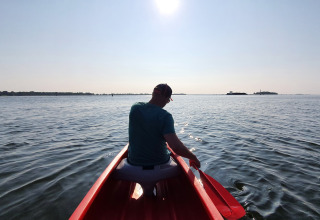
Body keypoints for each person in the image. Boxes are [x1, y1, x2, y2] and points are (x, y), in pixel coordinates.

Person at [114, 83, 201, 196]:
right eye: (168, 100)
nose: (167, 103)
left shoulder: (135, 108)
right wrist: (193, 157)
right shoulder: (165, 116)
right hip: (160, 167)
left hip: (133, 166)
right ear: (167, 98)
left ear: (153, 93)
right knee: (179, 167)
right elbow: (176, 147)